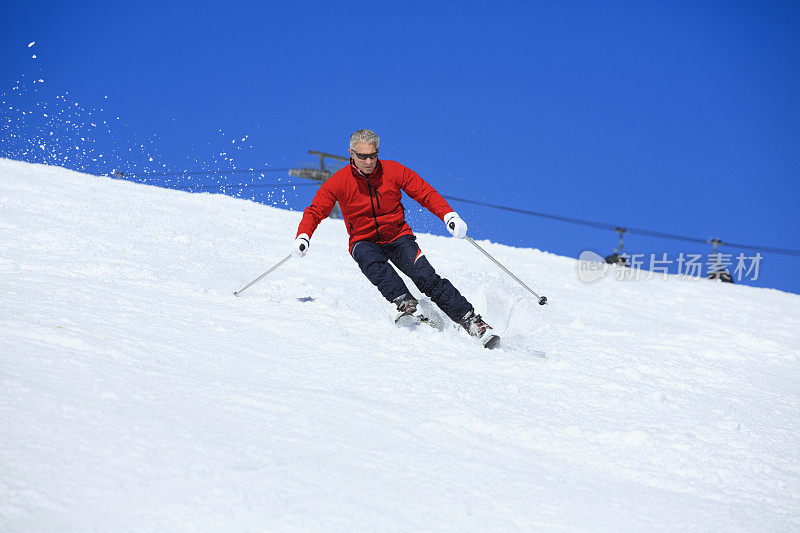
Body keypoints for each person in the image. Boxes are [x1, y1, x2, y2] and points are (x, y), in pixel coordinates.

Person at [291, 129, 498, 348]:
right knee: (366, 256)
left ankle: (473, 322)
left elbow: (424, 193)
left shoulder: (393, 170)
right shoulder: (339, 181)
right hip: (364, 239)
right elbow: (315, 211)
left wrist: (449, 216)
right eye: (362, 156)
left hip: (398, 237)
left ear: (377, 151)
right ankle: (406, 304)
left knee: (426, 277)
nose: (369, 161)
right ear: (351, 154)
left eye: (373, 155)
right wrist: (303, 236)